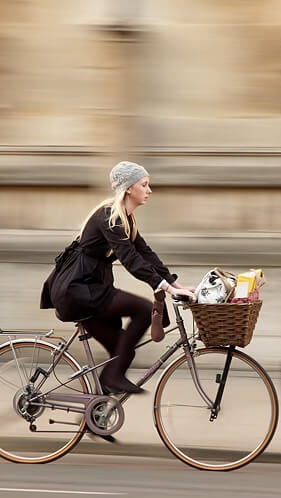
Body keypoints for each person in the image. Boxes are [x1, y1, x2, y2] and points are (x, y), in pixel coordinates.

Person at [40, 161, 196, 394]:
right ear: (129, 188)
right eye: (144, 185)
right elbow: (131, 260)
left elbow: (146, 254)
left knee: (123, 351)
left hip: (93, 289)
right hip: (79, 291)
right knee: (143, 311)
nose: (149, 190)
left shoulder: (126, 219)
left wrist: (176, 284)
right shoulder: (110, 218)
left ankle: (95, 417)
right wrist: (169, 290)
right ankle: (111, 379)